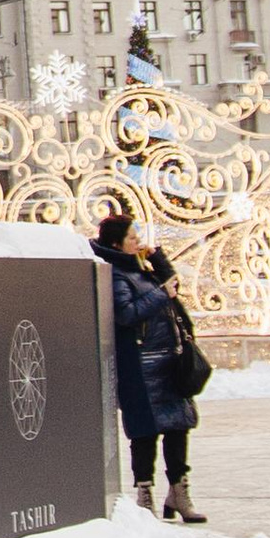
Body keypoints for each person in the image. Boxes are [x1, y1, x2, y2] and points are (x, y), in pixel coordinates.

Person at [93, 210, 203, 520]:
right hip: (141, 367)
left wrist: (159, 258)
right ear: (117, 243)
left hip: (168, 364)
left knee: (179, 427)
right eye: (132, 237)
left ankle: (179, 494)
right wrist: (160, 294)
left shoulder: (140, 268)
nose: (139, 241)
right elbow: (126, 314)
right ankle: (145, 496)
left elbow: (171, 286)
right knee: (145, 434)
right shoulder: (116, 273)